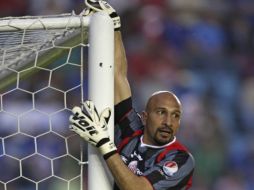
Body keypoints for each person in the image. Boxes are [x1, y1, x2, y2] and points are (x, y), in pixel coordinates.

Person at [69, 1, 195, 189]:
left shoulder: (180, 158)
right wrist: (113, 28)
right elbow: (117, 75)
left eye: (175, 115)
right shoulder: (132, 132)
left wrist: (104, 143)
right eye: (161, 112)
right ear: (144, 117)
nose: (168, 121)